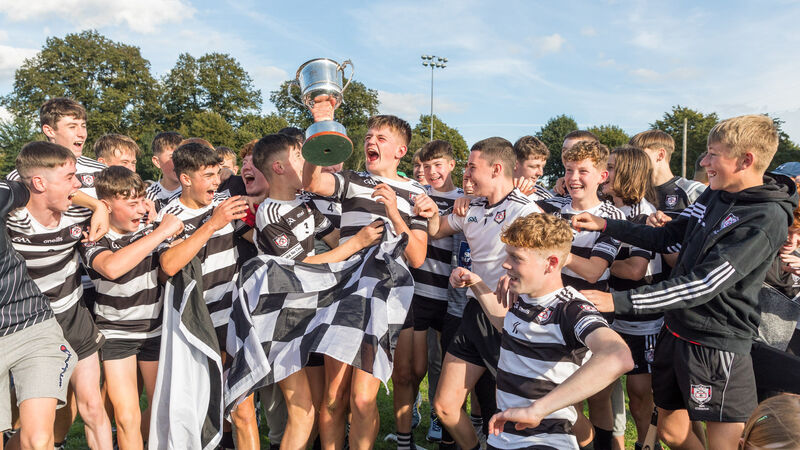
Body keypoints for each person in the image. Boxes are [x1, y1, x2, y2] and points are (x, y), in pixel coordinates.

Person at [573, 114, 798, 450]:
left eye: (712, 154)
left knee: (725, 444)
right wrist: (607, 225)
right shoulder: (716, 194)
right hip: (676, 331)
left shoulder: (765, 217)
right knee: (671, 433)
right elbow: (669, 237)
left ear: (746, 160)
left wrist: (619, 302)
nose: (704, 161)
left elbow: (704, 284)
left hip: (716, 344)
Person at [448, 213, 632, 449]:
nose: (506, 264)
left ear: (551, 263)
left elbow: (619, 356)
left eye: (516, 258)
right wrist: (476, 282)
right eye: (507, 255)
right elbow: (508, 327)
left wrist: (538, 409)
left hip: (545, 440)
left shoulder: (571, 309)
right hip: (504, 436)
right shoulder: (526, 297)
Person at [304, 107, 429, 449]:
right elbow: (311, 181)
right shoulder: (354, 180)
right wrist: (322, 124)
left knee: (362, 399)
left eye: (381, 138)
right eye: (368, 137)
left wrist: (393, 211)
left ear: (400, 151)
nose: (370, 142)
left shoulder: (417, 194)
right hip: (342, 296)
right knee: (333, 396)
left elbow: (417, 256)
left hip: (384, 302)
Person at [252, 133, 383, 449]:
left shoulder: (304, 203)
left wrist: (374, 236)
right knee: (302, 414)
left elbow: (337, 238)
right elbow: (304, 265)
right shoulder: (268, 212)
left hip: (312, 316)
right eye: (299, 156)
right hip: (282, 325)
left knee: (318, 409)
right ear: (280, 167)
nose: (307, 163)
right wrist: (358, 242)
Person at [415, 137, 543, 450]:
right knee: (445, 407)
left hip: (509, 319)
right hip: (473, 314)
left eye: (473, 166)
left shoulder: (526, 213)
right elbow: (438, 229)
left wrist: (513, 278)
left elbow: (548, 265)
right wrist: (432, 212)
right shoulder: (473, 206)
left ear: (497, 169)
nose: (467, 174)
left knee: (512, 412)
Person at [7, 141, 113, 450]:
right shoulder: (11, 219)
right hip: (25, 324)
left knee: (92, 405)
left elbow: (124, 201)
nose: (79, 184)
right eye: (69, 177)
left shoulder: (79, 211)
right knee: (30, 431)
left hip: (72, 314)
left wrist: (100, 206)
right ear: (38, 183)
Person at [79, 166, 184, 449]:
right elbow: (112, 268)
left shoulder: (150, 230)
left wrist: (166, 231)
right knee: (126, 417)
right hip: (116, 335)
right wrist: (161, 231)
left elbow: (172, 262)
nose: (140, 209)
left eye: (142, 201)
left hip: (155, 329)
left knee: (165, 409)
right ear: (106, 205)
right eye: (131, 203)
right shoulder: (92, 237)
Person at [535, 139, 625, 450]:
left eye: (583, 171)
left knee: (598, 399)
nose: (574, 178)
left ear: (602, 176)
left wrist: (558, 251)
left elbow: (593, 271)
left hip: (594, 313)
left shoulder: (612, 217)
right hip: (552, 315)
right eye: (569, 170)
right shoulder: (550, 209)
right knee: (563, 400)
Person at [0, 176, 77, 450]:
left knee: (39, 440)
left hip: (31, 325)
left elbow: (43, 186)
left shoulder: (4, 193)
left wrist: (98, 206)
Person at [601, 146, 665, 449]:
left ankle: (645, 444)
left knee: (640, 394)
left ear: (628, 173)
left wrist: (595, 262)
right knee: (602, 389)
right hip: (609, 312)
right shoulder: (604, 206)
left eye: (611, 167)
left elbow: (636, 270)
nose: (605, 173)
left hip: (641, 318)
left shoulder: (645, 214)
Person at [403, 140, 464, 445]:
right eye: (426, 166)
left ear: (452, 164)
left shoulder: (466, 199)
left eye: (438, 164)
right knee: (415, 365)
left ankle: (438, 419)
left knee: (443, 363)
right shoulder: (415, 195)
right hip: (418, 289)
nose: (432, 171)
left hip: (450, 296)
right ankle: (410, 409)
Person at [629, 130, 706, 214]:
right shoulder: (634, 194)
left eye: (639, 154)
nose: (633, 159)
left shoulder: (691, 191)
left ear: (660, 155)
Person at [146, 131, 184, 213]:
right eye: (173, 157)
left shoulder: (195, 190)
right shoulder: (148, 197)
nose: (179, 162)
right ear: (157, 162)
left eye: (182, 156)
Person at [512, 135, 553, 200]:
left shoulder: (545, 199)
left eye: (543, 167)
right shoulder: (494, 190)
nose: (540, 173)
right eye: (534, 167)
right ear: (515, 164)